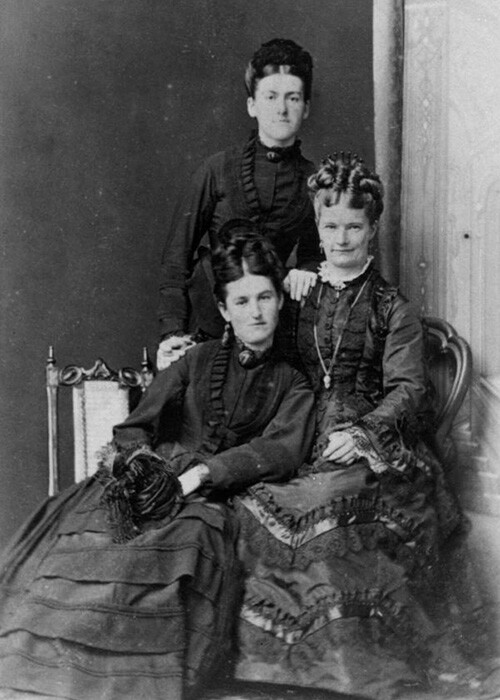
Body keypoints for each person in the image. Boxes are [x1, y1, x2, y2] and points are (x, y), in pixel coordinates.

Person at [0, 227, 315, 700]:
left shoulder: (294, 382)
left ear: (280, 301)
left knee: (179, 546)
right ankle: (43, 669)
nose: (256, 311)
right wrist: (140, 467)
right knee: (92, 536)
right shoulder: (195, 361)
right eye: (243, 301)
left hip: (210, 496)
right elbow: (135, 425)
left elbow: (281, 450)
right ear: (225, 310)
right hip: (153, 478)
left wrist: (207, 472)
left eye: (265, 297)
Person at [230, 154, 496, 699]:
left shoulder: (391, 307)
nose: (342, 238)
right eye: (331, 226)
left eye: (354, 226)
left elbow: (409, 389)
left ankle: (347, 670)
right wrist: (286, 286)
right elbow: (271, 353)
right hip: (305, 432)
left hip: (379, 447)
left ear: (372, 229)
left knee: (331, 514)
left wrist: (364, 433)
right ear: (318, 226)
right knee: (257, 506)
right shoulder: (302, 292)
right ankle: (278, 670)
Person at [157, 37, 322, 370]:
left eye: (293, 98)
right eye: (270, 97)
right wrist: (171, 332)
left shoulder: (315, 182)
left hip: (272, 333)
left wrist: (306, 270)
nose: (281, 109)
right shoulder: (216, 170)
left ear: (305, 107)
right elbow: (176, 262)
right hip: (206, 330)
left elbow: (313, 255)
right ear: (252, 105)